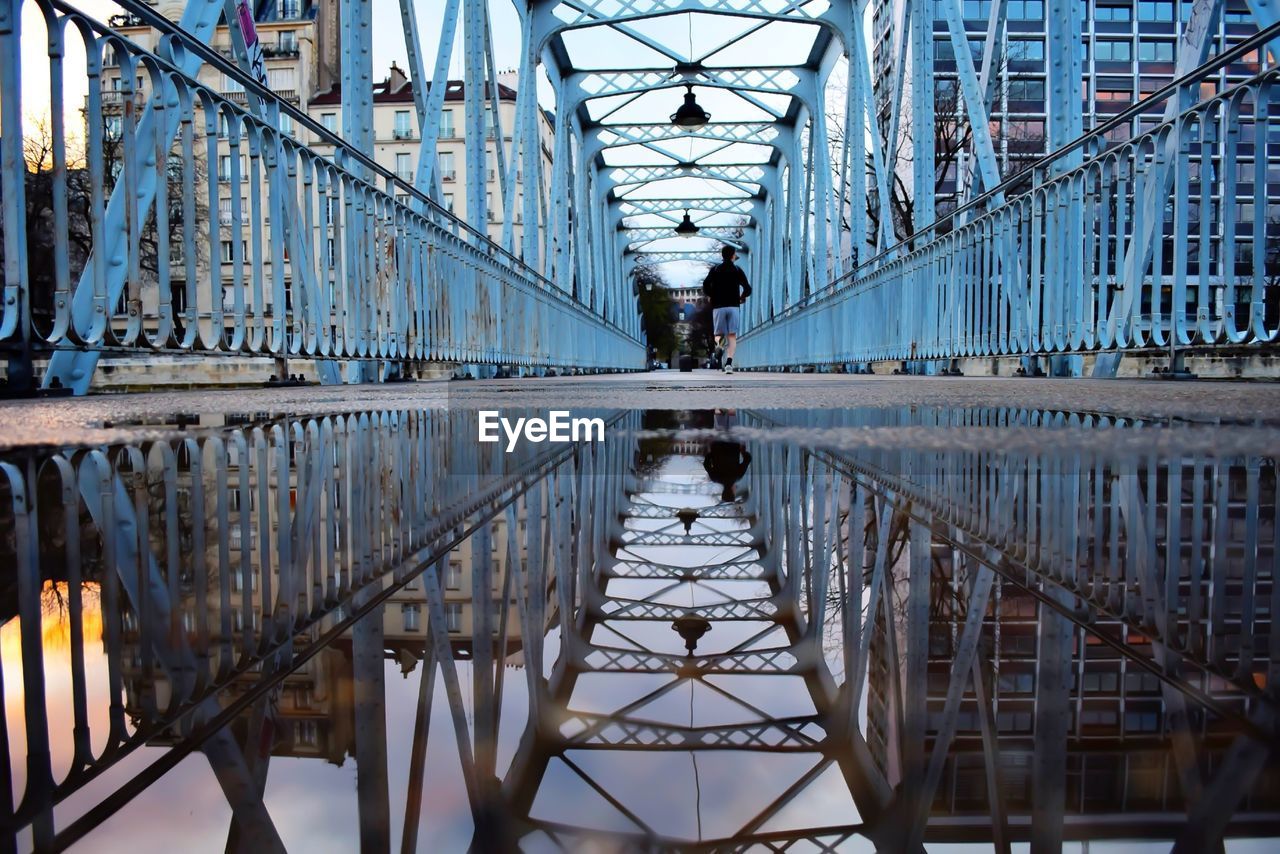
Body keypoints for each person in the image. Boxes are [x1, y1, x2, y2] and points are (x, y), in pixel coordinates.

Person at [701, 245, 751, 374]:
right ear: (733, 255)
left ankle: (718, 346)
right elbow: (747, 288)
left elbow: (706, 285)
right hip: (733, 306)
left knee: (718, 334)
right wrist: (742, 296)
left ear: (722, 256)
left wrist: (712, 295)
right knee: (732, 336)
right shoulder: (737, 270)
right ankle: (728, 363)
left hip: (719, 307)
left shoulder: (715, 270)